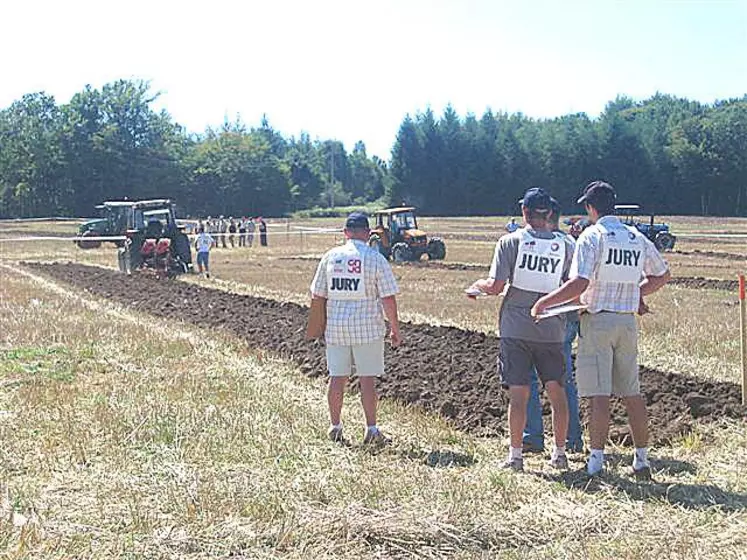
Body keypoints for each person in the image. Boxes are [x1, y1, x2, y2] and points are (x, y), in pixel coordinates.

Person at [532, 181, 670, 479]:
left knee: (599, 395)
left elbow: (580, 283)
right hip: (626, 323)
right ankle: (642, 460)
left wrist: (545, 302)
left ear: (590, 207)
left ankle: (595, 462)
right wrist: (637, 295)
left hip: (597, 322)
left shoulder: (592, 237)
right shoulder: (634, 237)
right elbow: (662, 274)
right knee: (632, 394)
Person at [468, 187, 572, 471]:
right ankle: (560, 453)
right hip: (551, 328)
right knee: (556, 390)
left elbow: (496, 286)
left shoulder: (509, 242)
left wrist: (476, 286)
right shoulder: (566, 245)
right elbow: (571, 286)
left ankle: (516, 456)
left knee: (519, 393)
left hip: (515, 327)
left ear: (524, 212)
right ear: (549, 213)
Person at [310, 212, 402, 445]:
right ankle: (371, 430)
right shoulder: (375, 259)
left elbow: (317, 295)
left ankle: (335, 426)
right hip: (367, 329)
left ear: (345, 233)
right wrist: (394, 328)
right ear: (367, 233)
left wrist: (317, 325)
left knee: (337, 377)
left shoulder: (330, 257)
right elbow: (388, 298)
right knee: (367, 379)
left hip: (336, 329)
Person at [523, 198, 583, 454]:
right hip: (565, 319)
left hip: (544, 318)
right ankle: (572, 438)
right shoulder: (571, 245)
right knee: (563, 379)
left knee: (529, 378)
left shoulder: (538, 243)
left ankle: (533, 436)